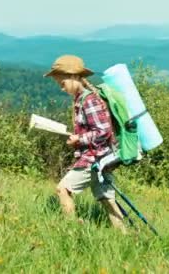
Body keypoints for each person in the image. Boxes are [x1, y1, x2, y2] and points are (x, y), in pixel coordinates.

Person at [44, 55, 126, 232]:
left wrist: (79, 139)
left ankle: (72, 232)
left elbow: (103, 130)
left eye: (62, 81)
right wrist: (78, 140)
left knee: (62, 189)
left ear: (73, 76)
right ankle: (125, 236)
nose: (60, 86)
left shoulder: (89, 100)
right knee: (106, 199)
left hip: (94, 159)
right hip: (101, 157)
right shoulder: (80, 99)